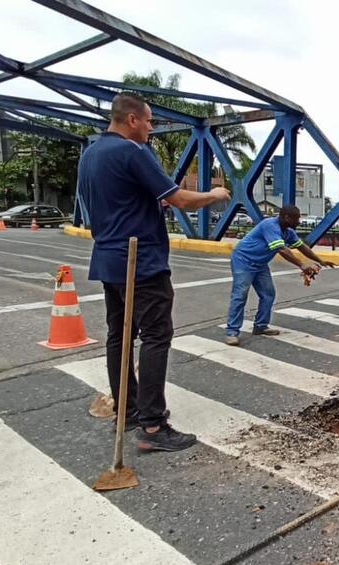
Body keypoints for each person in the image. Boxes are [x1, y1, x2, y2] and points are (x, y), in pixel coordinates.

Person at [77, 92, 230, 452]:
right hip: (141, 260)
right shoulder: (133, 151)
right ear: (131, 119)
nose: (150, 129)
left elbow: (115, 201)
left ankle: (128, 410)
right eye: (147, 121)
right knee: (156, 335)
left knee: (120, 336)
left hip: (109, 258)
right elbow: (179, 198)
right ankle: (152, 425)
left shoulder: (91, 155)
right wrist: (215, 193)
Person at [225, 204, 334, 346]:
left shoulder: (288, 231)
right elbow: (281, 249)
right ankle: (232, 332)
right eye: (297, 219)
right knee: (240, 295)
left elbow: (301, 247)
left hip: (260, 264)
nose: (299, 222)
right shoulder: (270, 225)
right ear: (287, 217)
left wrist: (320, 261)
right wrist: (302, 265)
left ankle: (260, 326)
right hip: (243, 260)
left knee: (268, 294)